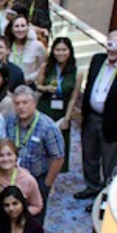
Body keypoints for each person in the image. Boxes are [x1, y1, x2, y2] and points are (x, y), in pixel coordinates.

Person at [77, 30, 117, 205]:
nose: (113, 49)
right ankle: (92, 187)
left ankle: (103, 197)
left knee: (109, 163)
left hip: (113, 124)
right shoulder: (97, 60)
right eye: (110, 44)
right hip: (91, 118)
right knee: (89, 156)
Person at [6, 86, 64, 211]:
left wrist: (46, 185)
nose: (21, 107)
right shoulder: (10, 121)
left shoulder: (48, 127)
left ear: (34, 103)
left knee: (34, 219)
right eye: (17, 103)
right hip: (12, 178)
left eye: (25, 102)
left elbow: (58, 158)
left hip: (36, 180)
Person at [36, 37, 81, 173]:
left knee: (59, 145)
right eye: (57, 50)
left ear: (70, 51)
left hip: (63, 111)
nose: (61, 53)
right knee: (41, 142)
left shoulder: (77, 72)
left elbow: (74, 97)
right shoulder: (46, 67)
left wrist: (67, 119)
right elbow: (37, 85)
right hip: (45, 107)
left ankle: (54, 174)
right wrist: (46, 88)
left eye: (64, 50)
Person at [0, 139, 44, 216]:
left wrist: (20, 214)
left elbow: (37, 206)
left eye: (9, 155)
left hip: (19, 224)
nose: (6, 159)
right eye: (1, 155)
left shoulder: (28, 180)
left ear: (16, 157)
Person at [5, 15, 46, 85]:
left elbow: (43, 66)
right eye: (16, 26)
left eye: (23, 26)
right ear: (11, 29)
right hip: (10, 84)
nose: (20, 29)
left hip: (30, 85)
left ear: (27, 28)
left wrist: (30, 78)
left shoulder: (37, 46)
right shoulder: (7, 45)